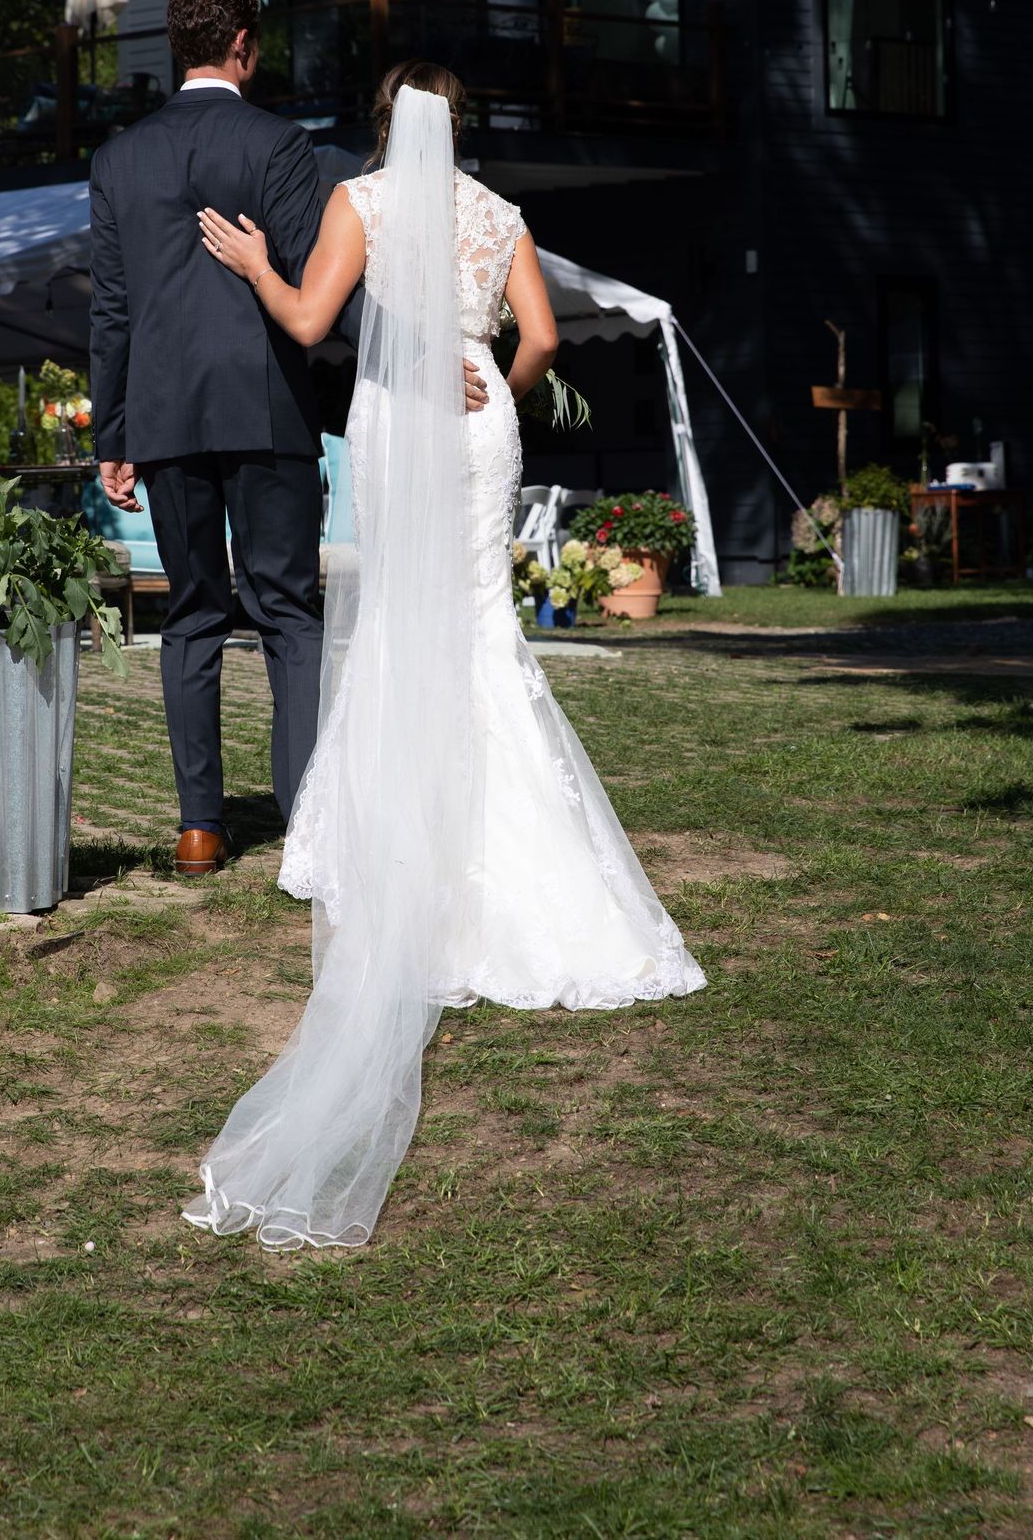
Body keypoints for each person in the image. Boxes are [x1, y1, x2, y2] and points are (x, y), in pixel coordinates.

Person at [184, 61, 706, 1249]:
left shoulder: (361, 205)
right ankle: (518, 869)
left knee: (406, 629)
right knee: (479, 627)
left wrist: (259, 264)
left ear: (381, 124)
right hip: (480, 435)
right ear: (457, 126)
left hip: (397, 428)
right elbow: (539, 338)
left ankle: (393, 853)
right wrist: (495, 391)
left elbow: (314, 324)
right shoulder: (500, 215)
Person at [88, 0, 488, 877]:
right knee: (287, 615)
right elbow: (322, 286)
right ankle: (305, 821)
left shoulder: (116, 161)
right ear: (244, 44)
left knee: (189, 618)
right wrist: (422, 357)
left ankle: (199, 827)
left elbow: (111, 312)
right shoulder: (279, 145)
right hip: (266, 407)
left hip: (162, 417)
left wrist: (112, 434)